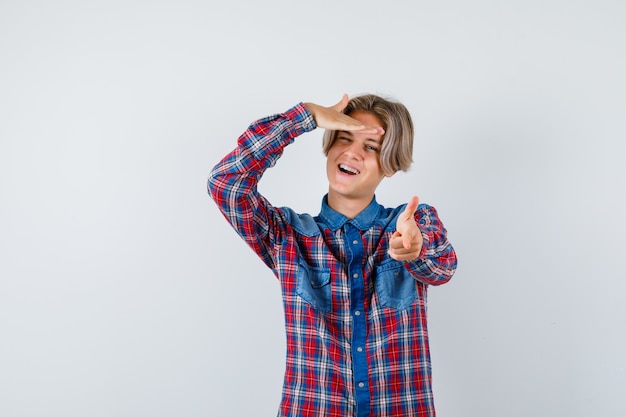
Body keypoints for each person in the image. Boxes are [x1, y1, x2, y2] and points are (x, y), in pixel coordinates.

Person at [207, 93, 457, 417]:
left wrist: (414, 248)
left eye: (370, 147)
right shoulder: (286, 235)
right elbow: (225, 183)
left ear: (391, 163)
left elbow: (443, 268)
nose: (352, 152)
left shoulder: (412, 222)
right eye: (344, 138)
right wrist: (305, 117)